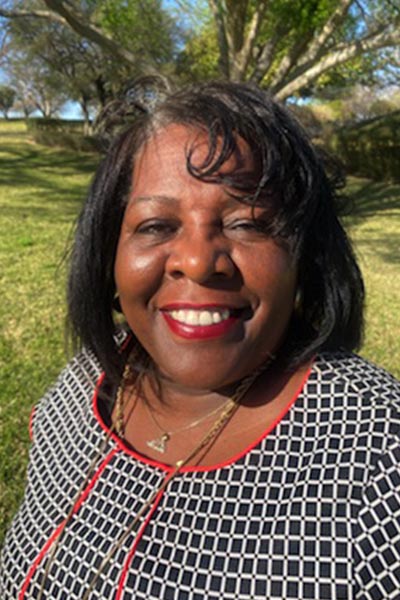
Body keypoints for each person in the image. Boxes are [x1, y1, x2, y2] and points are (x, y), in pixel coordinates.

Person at [1, 80, 399, 600]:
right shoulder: (81, 386)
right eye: (156, 225)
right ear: (108, 253)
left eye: (246, 224)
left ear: (305, 259)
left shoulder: (379, 463)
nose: (196, 260)